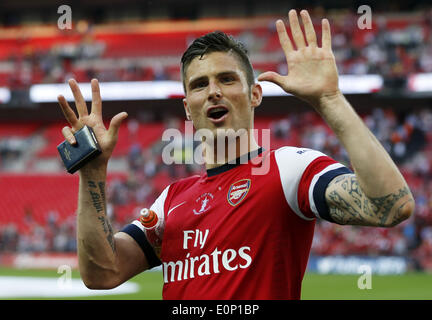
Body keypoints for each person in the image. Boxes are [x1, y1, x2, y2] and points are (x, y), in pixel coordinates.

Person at [57, 9, 415, 299]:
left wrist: (330, 100)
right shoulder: (172, 201)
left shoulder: (288, 169)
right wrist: (92, 171)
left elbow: (390, 206)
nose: (213, 92)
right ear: (187, 107)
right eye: (200, 84)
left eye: (227, 79)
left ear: (255, 94)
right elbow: (102, 273)